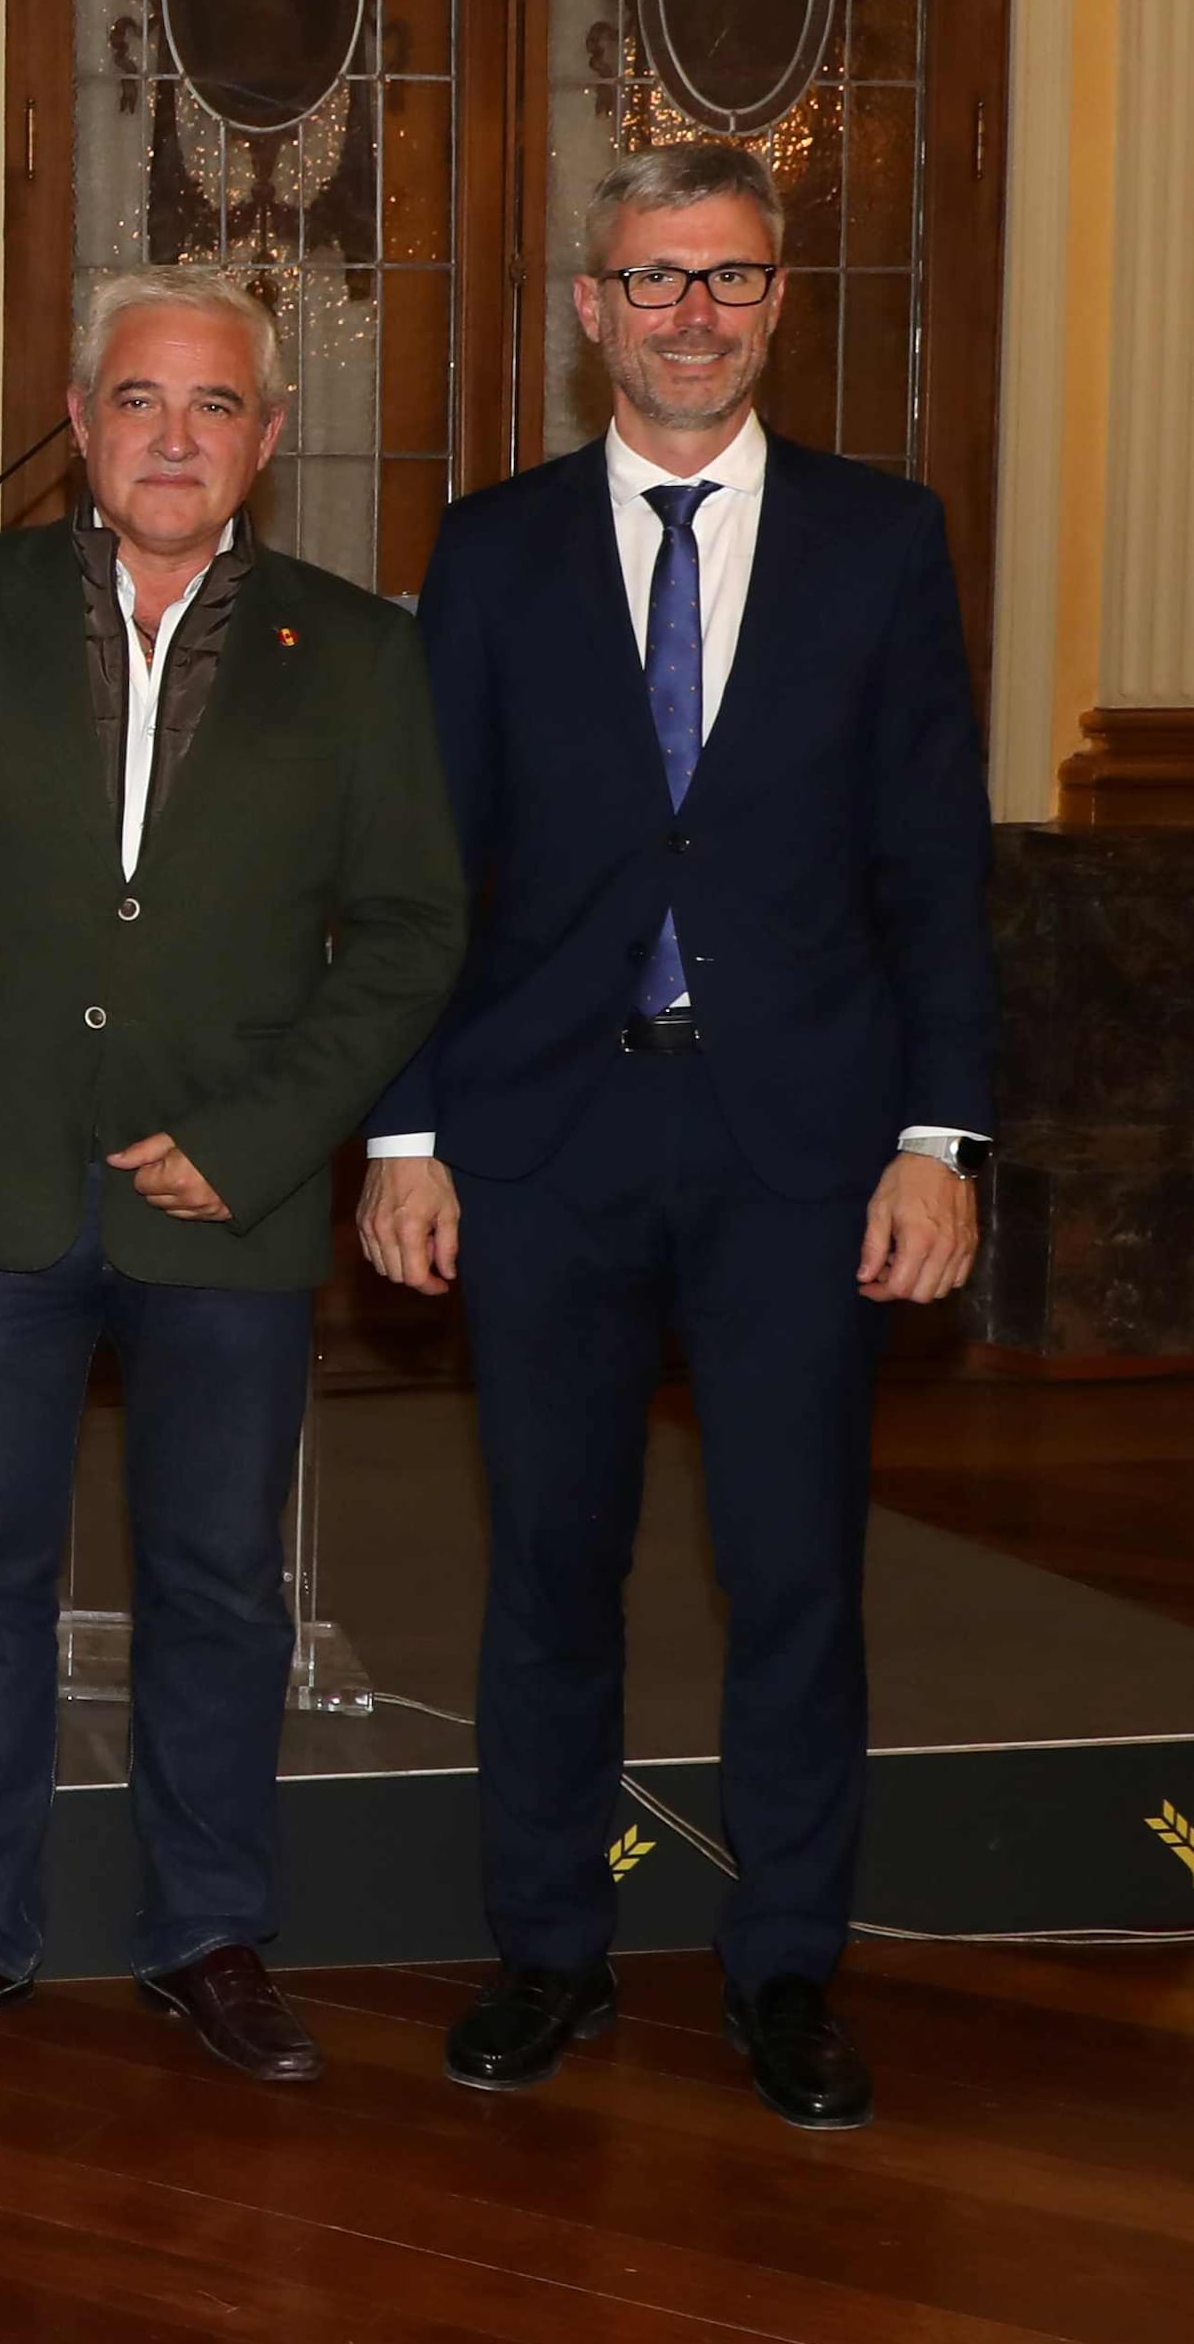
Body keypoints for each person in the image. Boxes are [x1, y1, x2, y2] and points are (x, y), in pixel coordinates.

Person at [361, 139, 991, 2132]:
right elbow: (423, 876)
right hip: (542, 1137)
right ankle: (545, 1949)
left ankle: (787, 1966)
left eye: (724, 276)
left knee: (792, 1570)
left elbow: (933, 878)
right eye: (651, 279)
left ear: (778, 298)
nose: (689, 313)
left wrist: (939, 1137)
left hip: (802, 1151)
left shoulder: (884, 544)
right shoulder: (489, 547)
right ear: (588, 309)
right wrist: (402, 1130)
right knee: (549, 1567)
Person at [0, 272, 462, 2084]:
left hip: (223, 1198)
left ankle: (212, 1930)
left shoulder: (363, 653)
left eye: (216, 406)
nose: (175, 438)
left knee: (219, 1587)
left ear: (265, 439)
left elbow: (412, 935)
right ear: (82, 427)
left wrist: (261, 1143)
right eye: (139, 403)